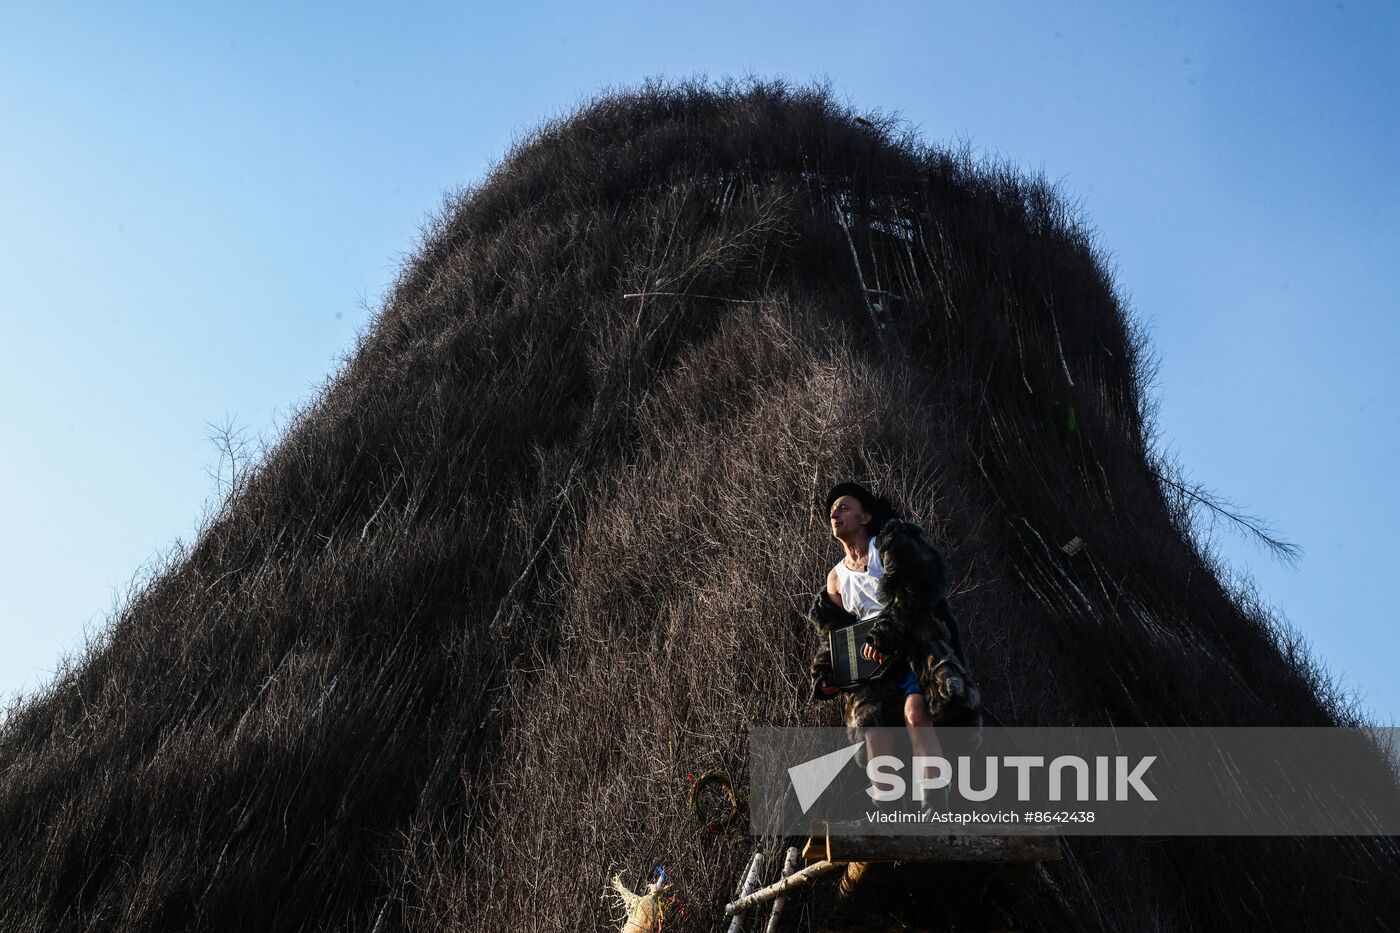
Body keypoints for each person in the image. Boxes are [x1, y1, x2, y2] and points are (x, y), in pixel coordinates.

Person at [807, 482, 981, 809]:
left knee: (917, 715)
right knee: (873, 730)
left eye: (844, 507)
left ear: (866, 515)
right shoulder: (836, 578)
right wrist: (827, 673)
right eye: (832, 511)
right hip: (874, 662)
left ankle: (935, 806)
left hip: (915, 648)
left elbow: (919, 591)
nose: (835, 513)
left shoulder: (890, 548)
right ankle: (889, 812)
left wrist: (886, 633)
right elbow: (836, 633)